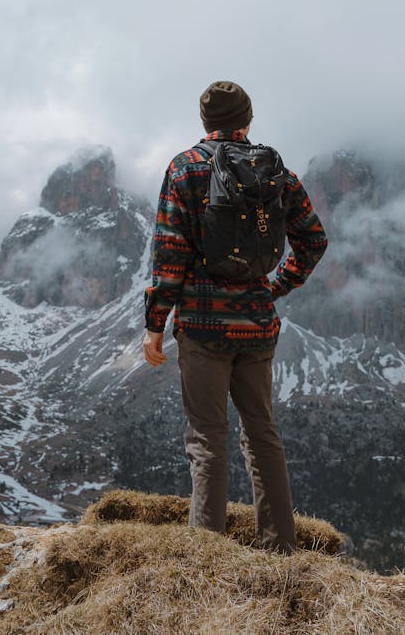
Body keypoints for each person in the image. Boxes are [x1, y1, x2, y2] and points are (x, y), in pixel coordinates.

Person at [143, 81, 327, 553]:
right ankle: (282, 553)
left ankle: (208, 560)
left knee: (207, 439)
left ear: (205, 123)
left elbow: (170, 256)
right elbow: (313, 241)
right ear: (247, 120)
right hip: (258, 326)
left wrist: (154, 326)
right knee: (262, 435)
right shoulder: (274, 169)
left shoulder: (184, 169)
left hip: (203, 330)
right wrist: (274, 287)